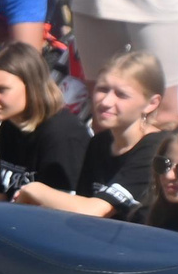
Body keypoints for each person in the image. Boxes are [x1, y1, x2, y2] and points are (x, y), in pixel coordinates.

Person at [14, 51, 165, 218]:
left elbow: (95, 210)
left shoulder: (157, 149)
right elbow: (81, 211)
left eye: (121, 95)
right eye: (102, 89)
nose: (106, 102)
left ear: (151, 103)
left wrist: (34, 189)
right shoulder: (99, 143)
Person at [0, 40, 85, 193]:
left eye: (1, 90)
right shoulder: (9, 127)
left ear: (32, 87)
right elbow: (1, 195)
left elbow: (66, 210)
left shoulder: (63, 135)